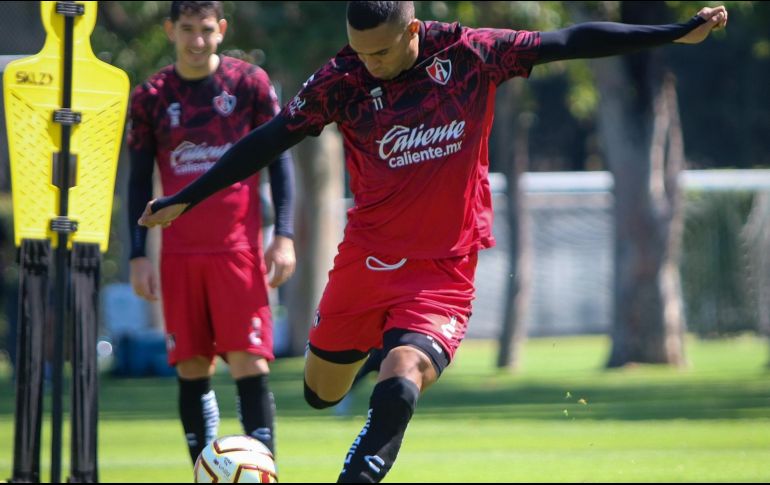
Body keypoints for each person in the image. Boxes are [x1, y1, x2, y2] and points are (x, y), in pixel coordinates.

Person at [138, 1, 728, 481]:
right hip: (364, 263)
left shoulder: (471, 54)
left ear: (414, 30)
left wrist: (675, 32)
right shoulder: (342, 79)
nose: (367, 63)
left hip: (442, 270)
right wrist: (188, 196)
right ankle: (382, 341)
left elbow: (569, 41)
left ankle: (387, 386)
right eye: (359, 51)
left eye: (379, 52)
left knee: (401, 382)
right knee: (320, 394)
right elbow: (269, 140)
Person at [127, 0, 296, 465]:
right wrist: (138, 253)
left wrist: (283, 234)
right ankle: (203, 472)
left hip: (238, 251)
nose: (197, 40)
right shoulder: (151, 96)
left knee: (249, 361)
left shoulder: (249, 84)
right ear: (170, 30)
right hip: (179, 255)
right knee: (191, 366)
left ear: (221, 29)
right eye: (187, 29)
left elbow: (280, 160)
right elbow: (138, 180)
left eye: (205, 29)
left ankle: (263, 471)